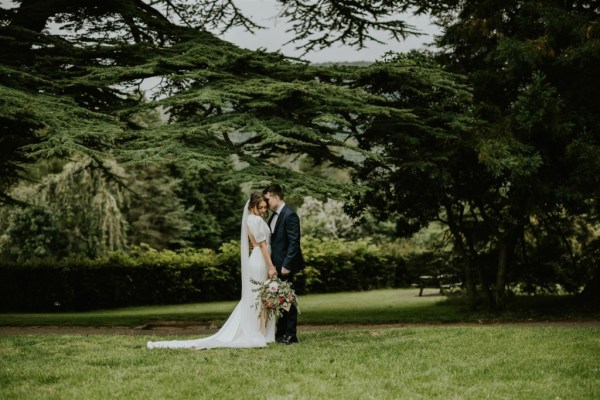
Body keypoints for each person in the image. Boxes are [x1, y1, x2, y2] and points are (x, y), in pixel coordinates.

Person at [147, 192, 277, 349]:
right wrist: (271, 266)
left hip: (257, 256)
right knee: (258, 296)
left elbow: (255, 242)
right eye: (260, 207)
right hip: (261, 259)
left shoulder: (251, 219)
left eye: (264, 207)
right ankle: (257, 331)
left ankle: (260, 330)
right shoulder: (255, 219)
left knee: (258, 296)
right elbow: (262, 245)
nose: (263, 210)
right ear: (251, 206)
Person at [263, 184, 304, 345]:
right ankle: (280, 333)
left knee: (288, 299)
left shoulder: (290, 215)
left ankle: (291, 334)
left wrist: (287, 265)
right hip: (275, 264)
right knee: (279, 299)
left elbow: (294, 242)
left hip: (285, 266)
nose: (266, 203)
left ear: (276, 197)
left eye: (267, 199)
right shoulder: (273, 216)